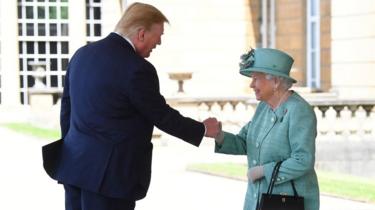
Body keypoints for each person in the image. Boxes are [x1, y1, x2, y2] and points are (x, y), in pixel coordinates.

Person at [42, 2, 220, 210]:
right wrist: (203, 129)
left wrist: (73, 150)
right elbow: (160, 115)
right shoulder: (137, 69)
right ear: (141, 33)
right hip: (110, 181)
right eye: (159, 35)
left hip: (74, 168)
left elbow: (67, 111)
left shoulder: (81, 55)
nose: (160, 42)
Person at [212, 48, 320, 210]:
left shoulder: (299, 111)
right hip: (257, 201)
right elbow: (245, 141)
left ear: (275, 82)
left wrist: (264, 171)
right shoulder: (263, 107)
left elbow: (303, 159)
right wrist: (219, 135)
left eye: (256, 78)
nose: (251, 85)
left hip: (288, 202)